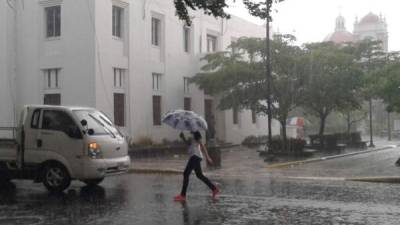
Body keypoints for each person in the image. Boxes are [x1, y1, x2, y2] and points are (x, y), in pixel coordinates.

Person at [174, 131, 220, 201]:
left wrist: (207, 157)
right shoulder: (192, 134)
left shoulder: (196, 133)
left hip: (195, 156)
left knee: (186, 173)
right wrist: (183, 137)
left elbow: (202, 145)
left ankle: (183, 195)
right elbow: (189, 144)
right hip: (194, 156)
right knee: (199, 175)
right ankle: (214, 189)